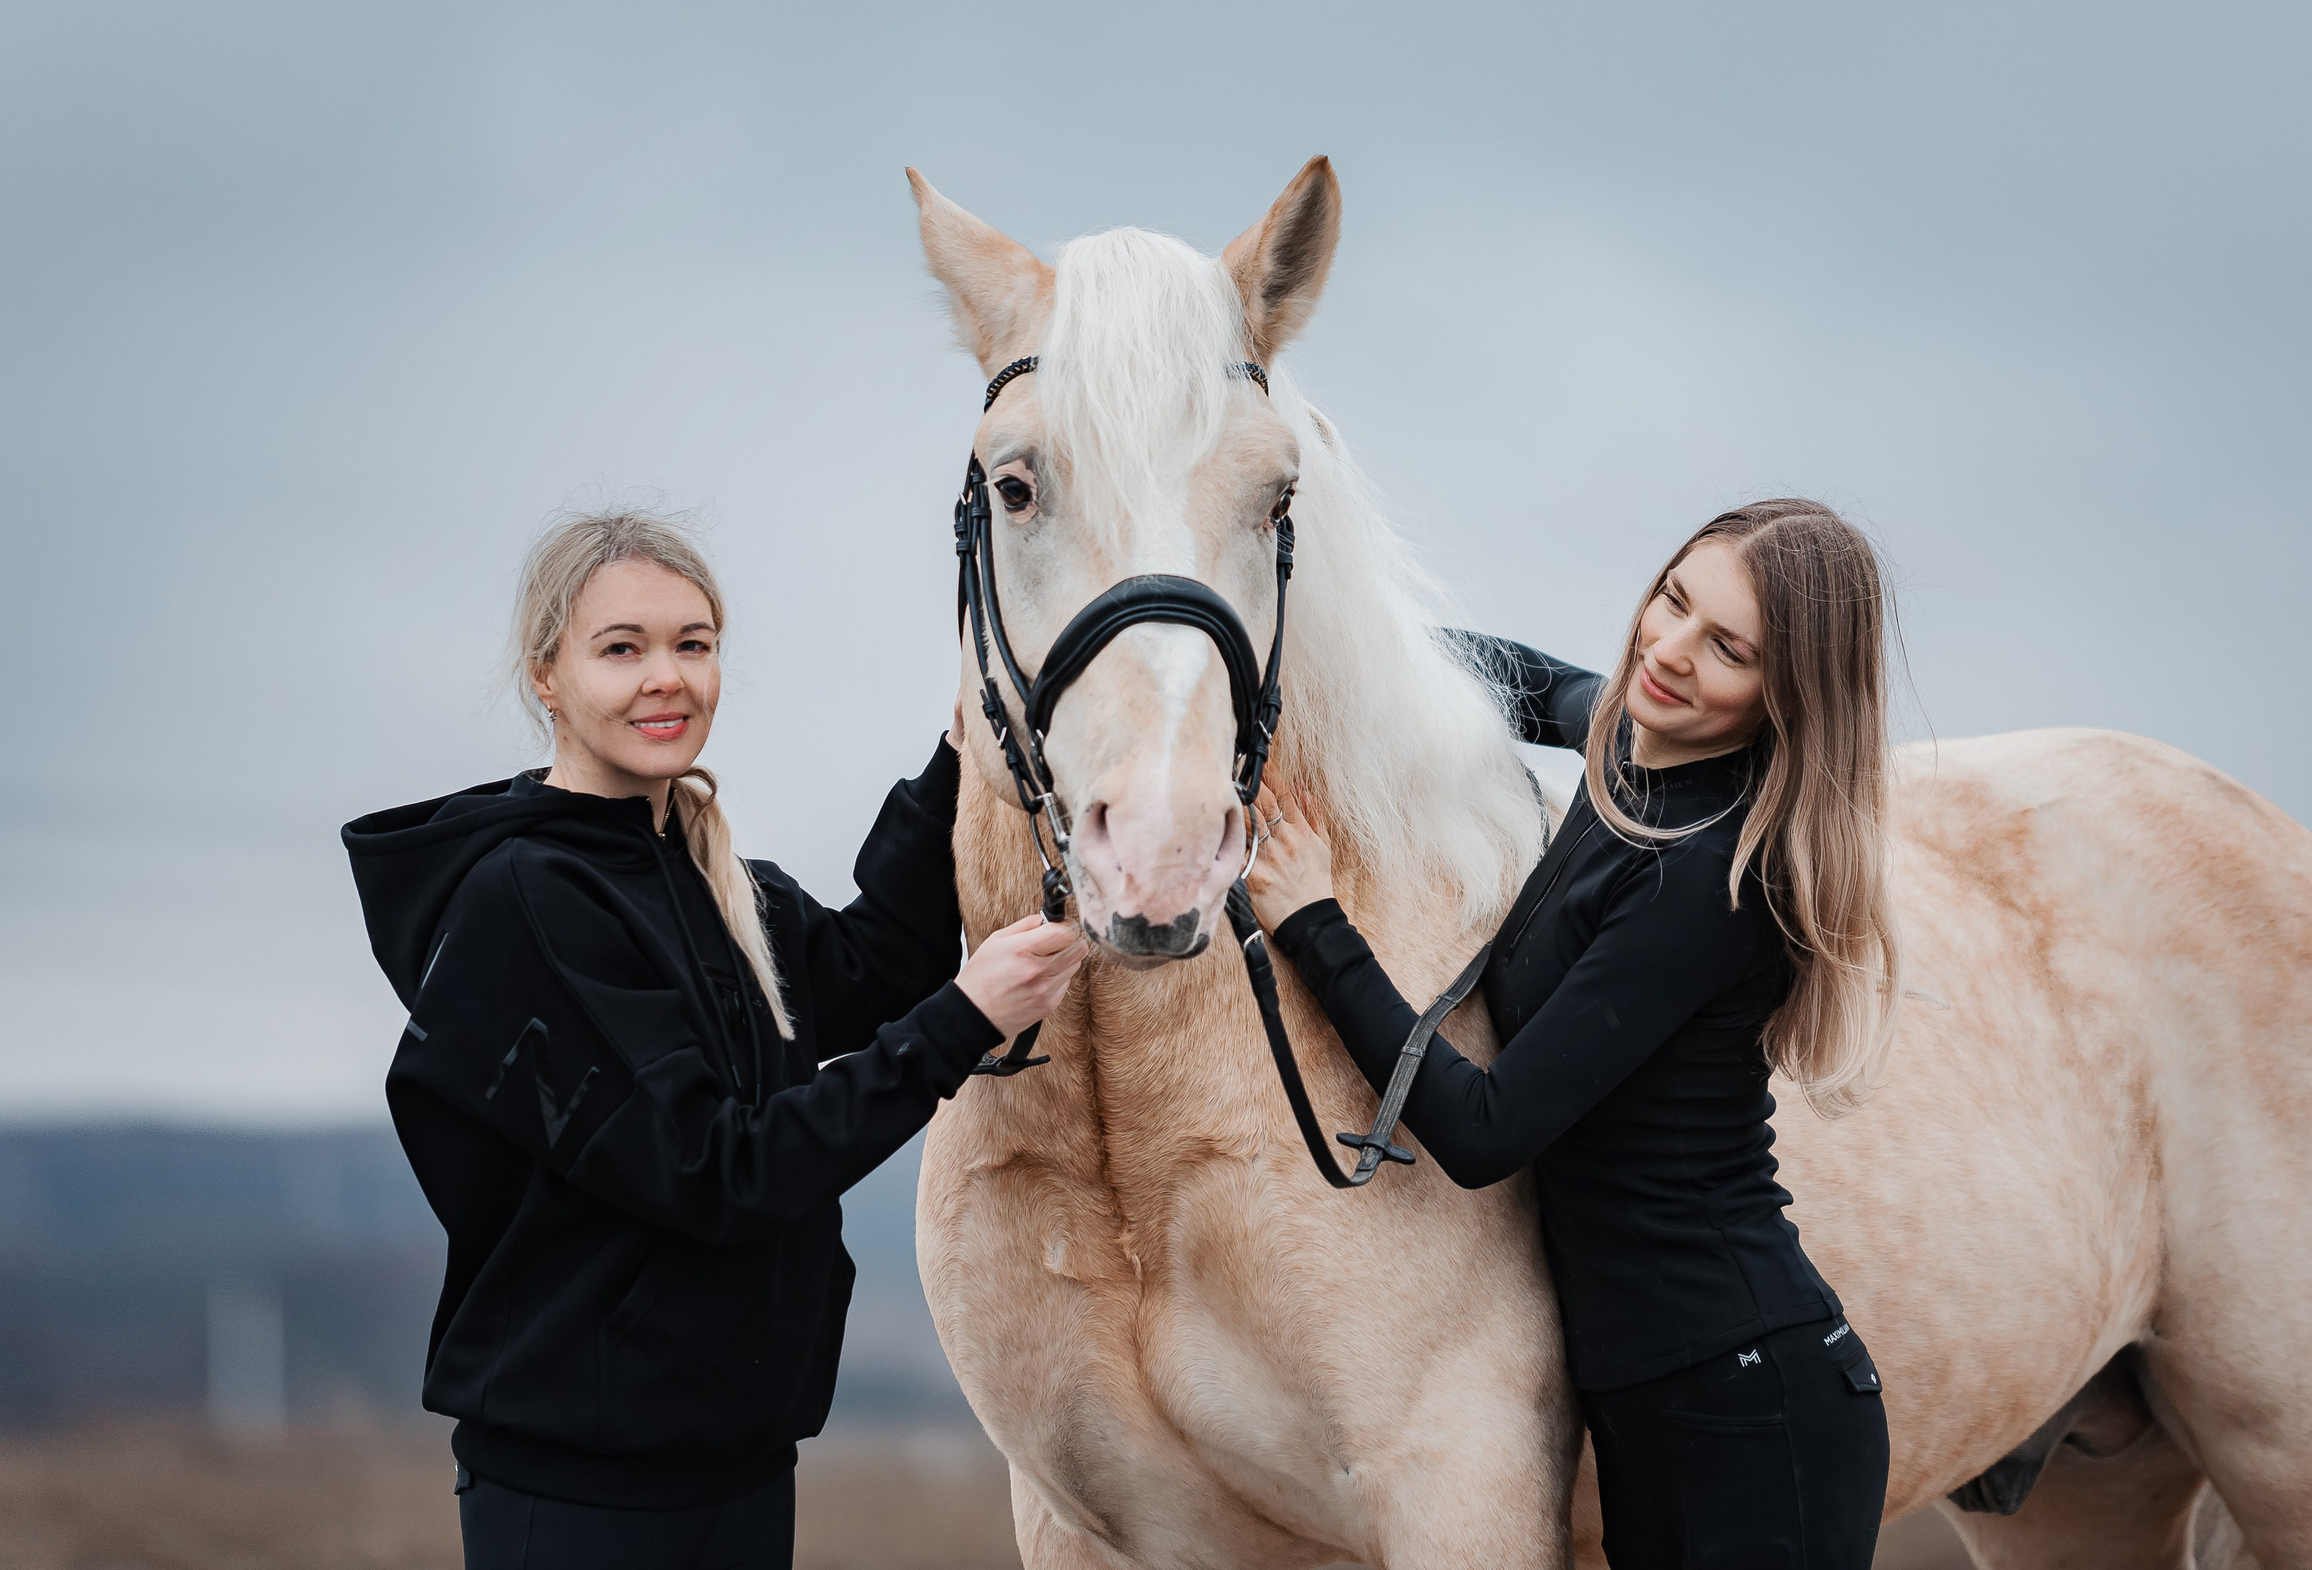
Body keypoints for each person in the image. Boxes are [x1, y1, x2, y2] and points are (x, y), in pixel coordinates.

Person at [342, 510, 1084, 1570]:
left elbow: (870, 970)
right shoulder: (526, 906)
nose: (668, 677)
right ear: (545, 675)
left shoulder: (712, 878)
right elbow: (717, 1167)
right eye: (622, 647)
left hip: (734, 1465)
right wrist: (964, 1021)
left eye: (694, 644)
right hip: (583, 1492)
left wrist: (957, 755)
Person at [1247, 498, 1900, 1570]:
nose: (1671, 651)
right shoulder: (1639, 744)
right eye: (1674, 599)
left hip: (1753, 1409)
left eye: (1727, 647)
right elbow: (1523, 680)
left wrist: (1315, 921)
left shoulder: (1708, 876)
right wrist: (1325, 651)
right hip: (1656, 1397)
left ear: (1784, 697)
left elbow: (1484, 1128)